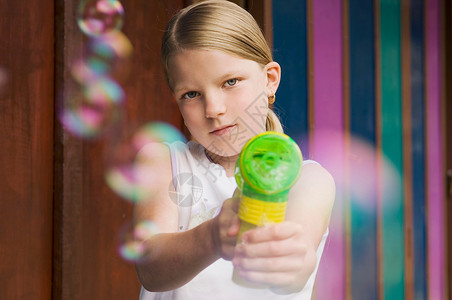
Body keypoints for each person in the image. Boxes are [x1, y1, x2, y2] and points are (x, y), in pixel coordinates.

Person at [134, 1, 335, 299]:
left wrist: (291, 261)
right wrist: (213, 236)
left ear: (269, 80)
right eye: (191, 94)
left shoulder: (307, 181)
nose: (214, 109)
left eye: (230, 82)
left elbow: (296, 269)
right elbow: (151, 269)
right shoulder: (163, 162)